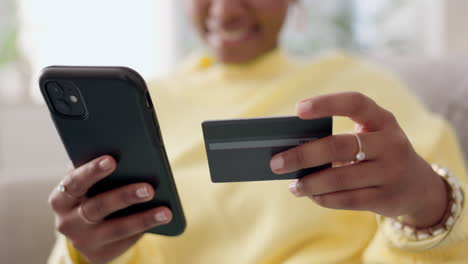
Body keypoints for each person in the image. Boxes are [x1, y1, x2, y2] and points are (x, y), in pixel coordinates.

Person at [47, 0, 468, 263]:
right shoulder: (143, 104)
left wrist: (429, 211)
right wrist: (85, 252)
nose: (225, 11)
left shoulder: (367, 91)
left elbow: (452, 237)